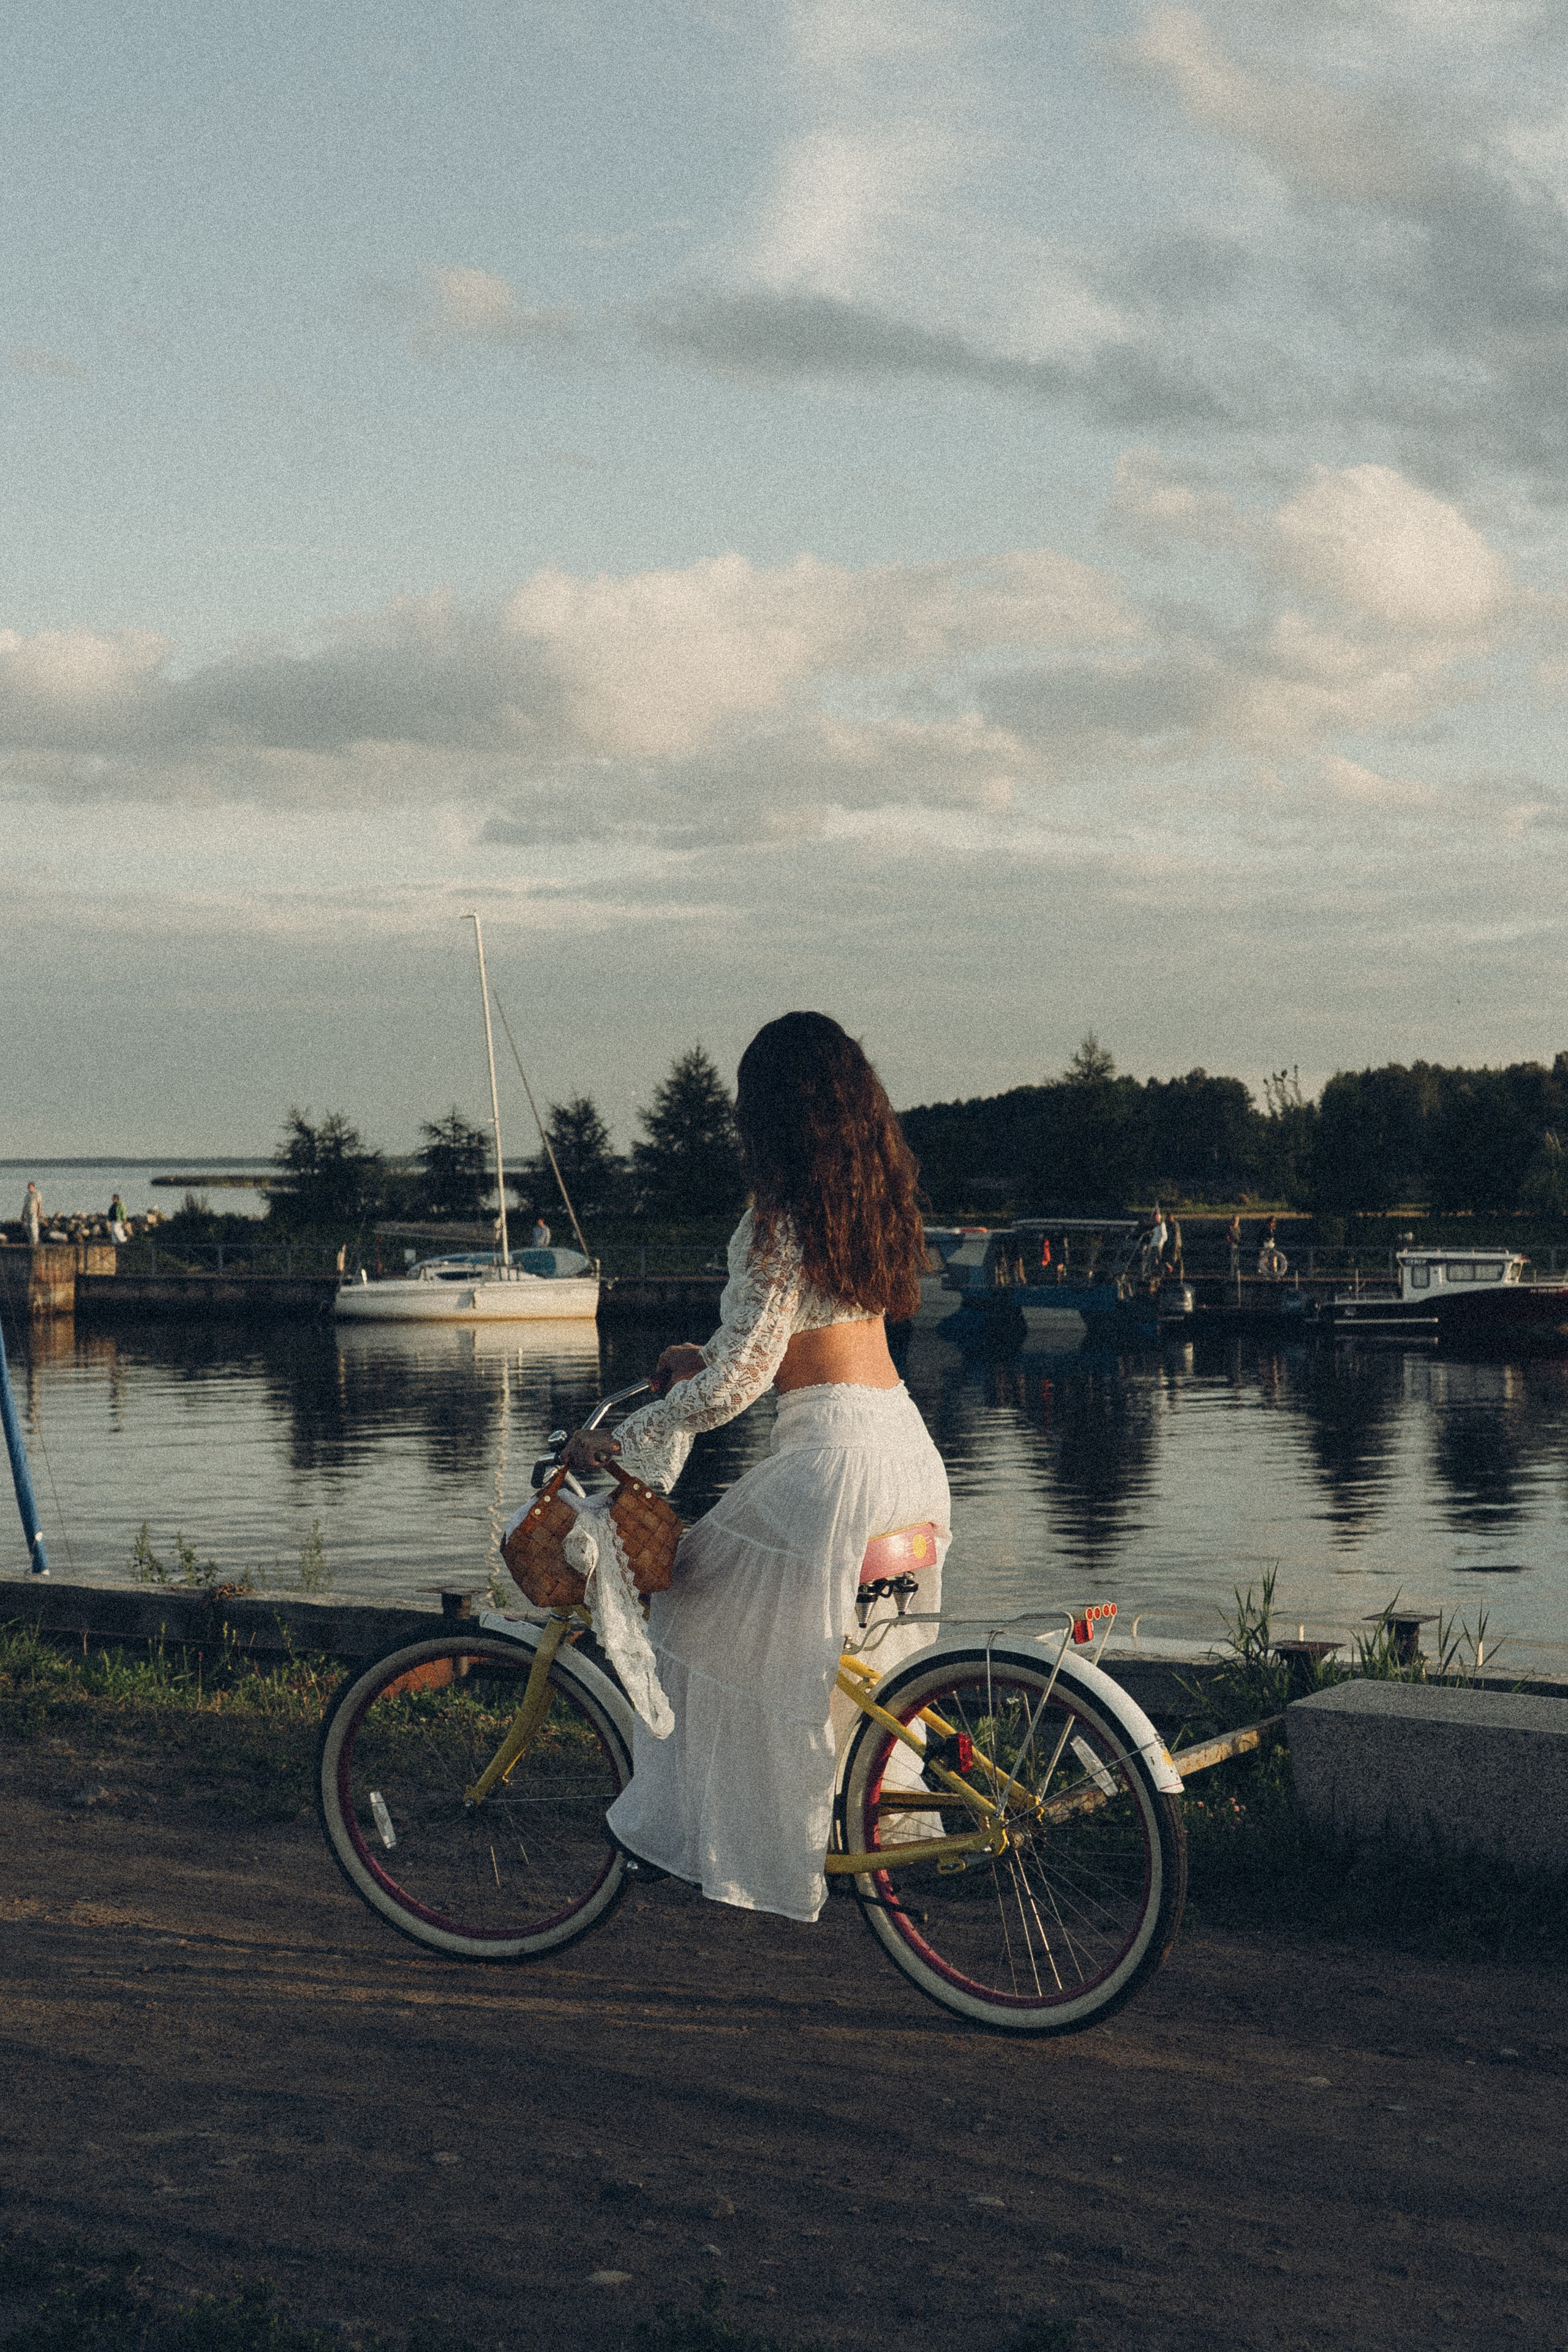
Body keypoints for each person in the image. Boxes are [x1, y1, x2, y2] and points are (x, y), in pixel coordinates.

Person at [562, 1011, 949, 1924]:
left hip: (831, 1463)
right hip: (904, 1446)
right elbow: (796, 1340)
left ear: (769, 1112)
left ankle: (709, 1828)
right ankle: (856, 1816)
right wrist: (706, 1356)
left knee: (685, 1601)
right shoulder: (866, 1199)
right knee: (854, 1660)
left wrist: (631, 1436)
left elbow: (743, 1383)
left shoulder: (782, 1213)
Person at [23, 1182, 42, 1246]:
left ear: (33, 1187)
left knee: (33, 1226)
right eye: (28, 1187)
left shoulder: (37, 1194)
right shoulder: (27, 1195)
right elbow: (25, 1205)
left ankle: (35, 1241)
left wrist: (39, 1212)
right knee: (28, 1227)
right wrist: (23, 1214)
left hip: (34, 1212)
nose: (29, 1188)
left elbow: (39, 1204)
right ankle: (31, 1242)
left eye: (30, 1187)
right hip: (28, 1212)